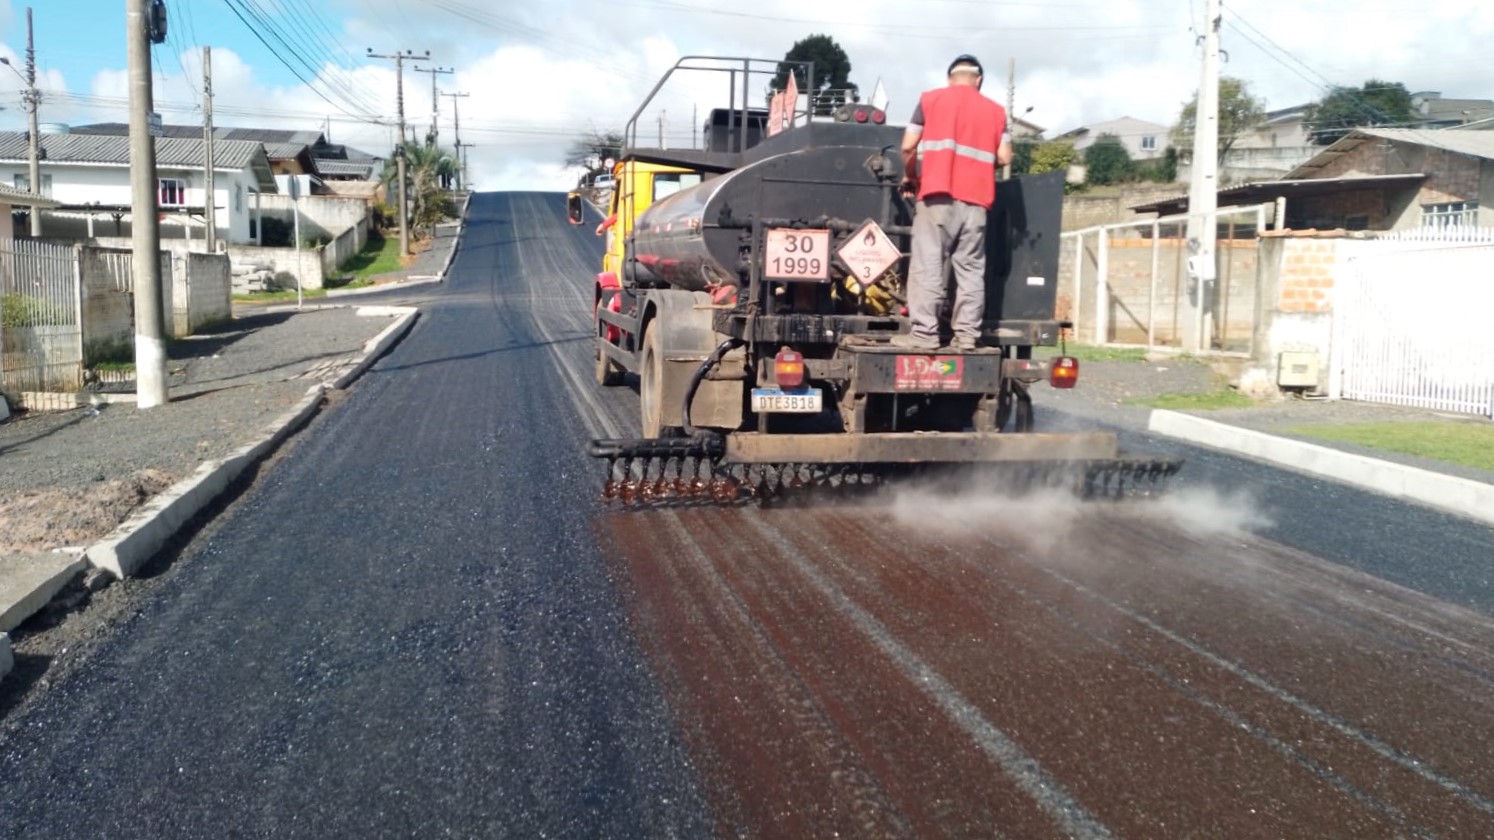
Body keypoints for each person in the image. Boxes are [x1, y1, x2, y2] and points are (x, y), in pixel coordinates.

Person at [892, 54, 1013, 351]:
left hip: (937, 197)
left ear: (950, 78)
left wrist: (911, 176)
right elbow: (1005, 157)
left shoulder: (930, 100)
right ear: (979, 80)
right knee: (971, 270)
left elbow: (908, 146)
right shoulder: (996, 112)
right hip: (976, 203)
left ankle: (924, 335)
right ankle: (968, 337)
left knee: (928, 264)